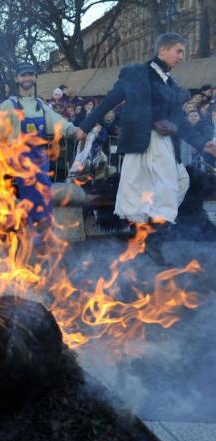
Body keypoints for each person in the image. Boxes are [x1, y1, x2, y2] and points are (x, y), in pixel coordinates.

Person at [79, 33, 216, 266]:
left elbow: (181, 123)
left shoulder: (172, 85)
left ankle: (150, 237)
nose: (182, 57)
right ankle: (152, 242)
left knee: (179, 184)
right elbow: (109, 101)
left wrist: (203, 143)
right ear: (162, 50)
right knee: (155, 193)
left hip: (165, 144)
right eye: (178, 51)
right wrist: (84, 126)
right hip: (144, 141)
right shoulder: (135, 74)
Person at [0, 62, 86, 247]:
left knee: (44, 193)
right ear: (17, 79)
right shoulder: (9, 105)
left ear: (35, 78)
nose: (27, 78)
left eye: (30, 75)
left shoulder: (40, 105)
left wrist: (74, 130)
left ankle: (39, 237)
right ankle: (35, 237)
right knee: (32, 195)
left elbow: (58, 121)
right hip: (20, 158)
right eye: (23, 75)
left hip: (40, 158)